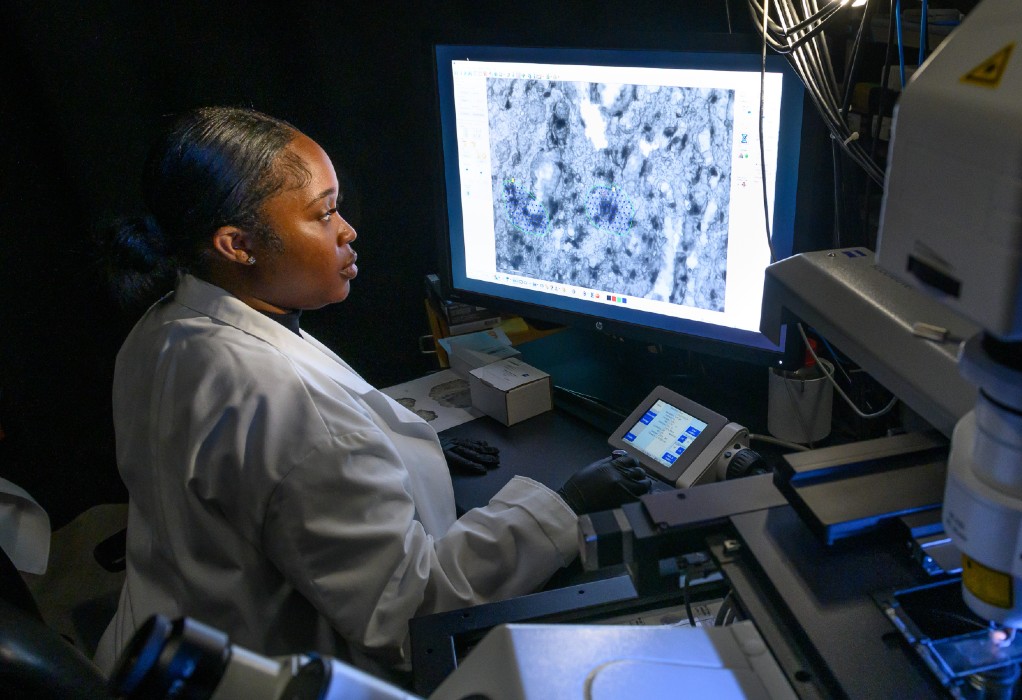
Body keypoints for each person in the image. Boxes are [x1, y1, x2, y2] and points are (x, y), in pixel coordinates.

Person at [93, 106, 652, 676]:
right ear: (237, 244)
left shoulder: (163, 326)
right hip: (276, 677)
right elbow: (411, 615)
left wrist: (405, 456)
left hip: (162, 649)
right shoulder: (288, 404)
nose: (348, 230)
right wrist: (565, 506)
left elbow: (273, 480)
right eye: (324, 213)